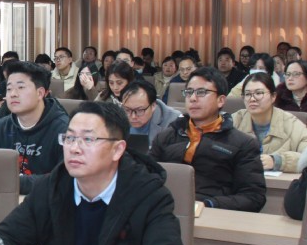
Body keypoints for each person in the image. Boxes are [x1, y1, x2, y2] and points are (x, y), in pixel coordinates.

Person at [0, 101, 185, 245]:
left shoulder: (149, 195)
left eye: (88, 139)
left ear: (117, 150)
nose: (74, 148)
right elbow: (3, 236)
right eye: (69, 138)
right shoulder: (51, 188)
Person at [150, 67, 266, 212]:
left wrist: (210, 204)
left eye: (201, 92)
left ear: (220, 100)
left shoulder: (243, 144)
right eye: (189, 92)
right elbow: (147, 178)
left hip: (213, 213)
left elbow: (254, 197)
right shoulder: (166, 137)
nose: (193, 98)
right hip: (166, 210)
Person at [0, 62, 69, 195]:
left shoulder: (63, 130)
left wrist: (10, 182)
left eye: (20, 87)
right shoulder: (1, 127)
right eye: (9, 89)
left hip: (47, 202)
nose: (13, 94)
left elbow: (65, 179)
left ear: (40, 93)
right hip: (4, 200)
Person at [231, 73, 307, 173]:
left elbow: (305, 157)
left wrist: (277, 161)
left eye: (259, 93)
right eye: (248, 94)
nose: (252, 99)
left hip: (278, 182)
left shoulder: (291, 123)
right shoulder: (235, 120)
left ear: (273, 96)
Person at [120, 80, 180, 145]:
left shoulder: (173, 120)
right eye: (127, 110)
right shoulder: (117, 116)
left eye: (139, 110)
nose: (133, 116)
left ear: (153, 105)